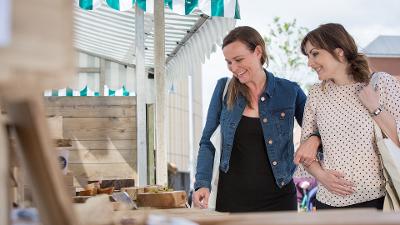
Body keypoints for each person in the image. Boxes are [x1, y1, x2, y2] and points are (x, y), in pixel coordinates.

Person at [192, 26, 320, 212]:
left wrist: (314, 139)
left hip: (279, 199)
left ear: (258, 52)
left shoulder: (289, 91)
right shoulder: (224, 90)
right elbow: (207, 143)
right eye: (228, 62)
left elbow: (318, 130)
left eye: (238, 60)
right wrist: (202, 183)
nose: (234, 68)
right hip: (231, 199)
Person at [294, 23, 400, 210]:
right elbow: (305, 155)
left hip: (376, 201)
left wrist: (375, 108)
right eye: (308, 56)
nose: (309, 63)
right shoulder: (317, 93)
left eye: (315, 53)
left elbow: (398, 140)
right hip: (327, 203)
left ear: (339, 52)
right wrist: (322, 177)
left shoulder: (380, 83)